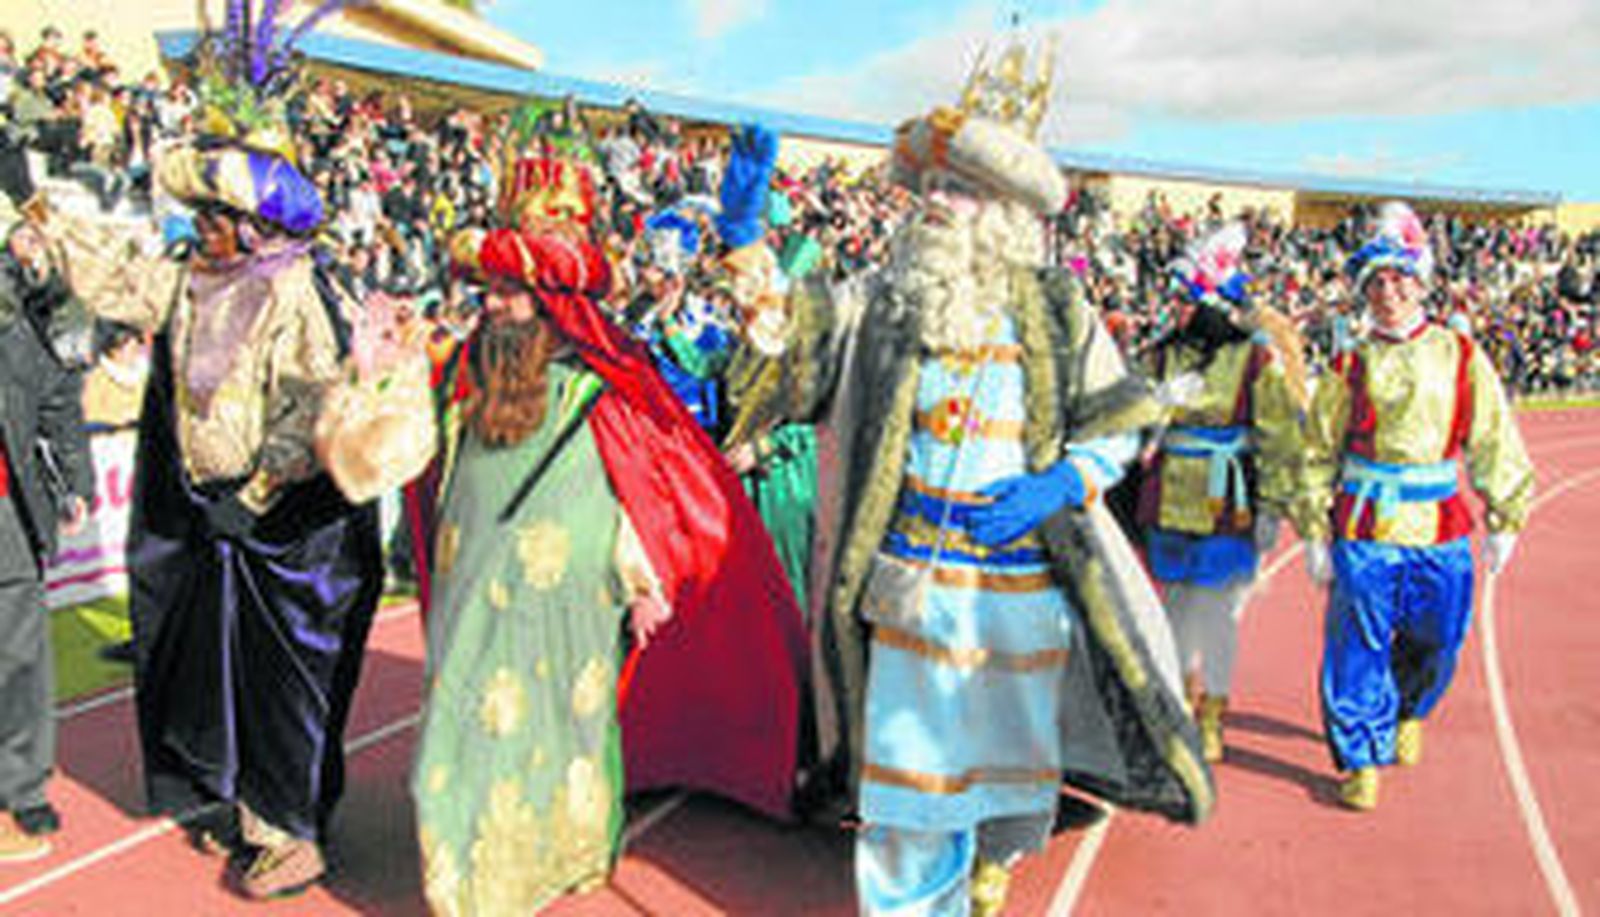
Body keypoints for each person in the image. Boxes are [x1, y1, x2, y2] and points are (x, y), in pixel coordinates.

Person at [758, 38, 1212, 915]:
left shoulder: (1055, 309)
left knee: (1004, 773)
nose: (935, 202)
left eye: (957, 187)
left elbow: (1119, 417)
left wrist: (1065, 482)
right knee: (904, 792)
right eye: (929, 185)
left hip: (1016, 592)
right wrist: (750, 251)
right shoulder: (881, 298)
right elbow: (796, 364)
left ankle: (988, 857)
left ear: (1001, 208)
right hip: (908, 584)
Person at [36, 5, 384, 896]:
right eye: (201, 214)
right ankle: (238, 801)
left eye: (217, 216)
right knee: (207, 669)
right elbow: (117, 277)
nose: (203, 229)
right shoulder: (191, 279)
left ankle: (292, 830)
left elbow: (315, 403)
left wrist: (262, 485)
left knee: (282, 690)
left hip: (285, 530)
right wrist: (43, 217)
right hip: (207, 515)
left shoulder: (297, 291)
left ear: (253, 222)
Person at [404, 160, 808, 914]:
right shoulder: (463, 369)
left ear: (553, 300)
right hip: (474, 598)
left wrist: (645, 575)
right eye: (485, 289)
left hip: (569, 607)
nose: (489, 305)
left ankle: (560, 855)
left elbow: (646, 483)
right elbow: (401, 454)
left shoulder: (608, 381)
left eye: (505, 292)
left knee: (560, 733)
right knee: (456, 744)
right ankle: (471, 882)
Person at [1302, 201, 1535, 811]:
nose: (1388, 291)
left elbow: (1492, 434)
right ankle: (1358, 754)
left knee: (1438, 637)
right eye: (1375, 281)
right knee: (1358, 641)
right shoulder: (1347, 363)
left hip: (1440, 526)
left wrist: (1506, 514)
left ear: (1421, 281)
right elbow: (1316, 449)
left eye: (1399, 278)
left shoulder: (1461, 355)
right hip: (1365, 524)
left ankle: (1408, 707)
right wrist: (1311, 530)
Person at [1137, 222, 1306, 761]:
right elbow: (1123, 419)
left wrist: (1273, 507)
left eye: (1185, 299)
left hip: (1226, 501)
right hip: (1167, 498)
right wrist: (1153, 400)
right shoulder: (1160, 357)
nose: (1175, 309)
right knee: (1175, 607)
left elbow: (1279, 434)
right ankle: (1178, 702)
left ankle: (1213, 710)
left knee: (1217, 614)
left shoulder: (1255, 360)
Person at [0, 218, 92, 860]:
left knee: (19, 652)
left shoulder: (25, 307)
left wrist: (75, 480)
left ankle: (22, 786)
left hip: (7, 504)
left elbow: (58, 396)